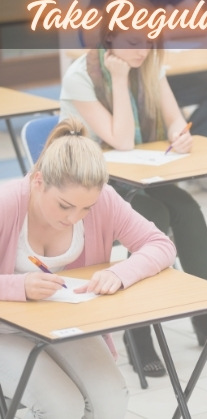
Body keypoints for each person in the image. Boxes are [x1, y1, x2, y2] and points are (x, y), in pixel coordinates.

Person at [60, 0, 207, 379]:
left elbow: (176, 118)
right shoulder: (80, 75)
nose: (142, 50)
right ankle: (138, 333)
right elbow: (121, 140)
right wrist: (122, 80)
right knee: (155, 214)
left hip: (139, 175)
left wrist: (182, 134)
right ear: (109, 37)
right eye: (132, 42)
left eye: (148, 40)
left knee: (190, 211)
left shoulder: (149, 64)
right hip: (91, 184)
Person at [0, 117, 175, 418]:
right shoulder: (7, 202)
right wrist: (19, 286)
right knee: (61, 407)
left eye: (86, 209)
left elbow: (160, 244)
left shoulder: (103, 199)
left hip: (62, 322)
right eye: (65, 206)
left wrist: (119, 273)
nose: (74, 218)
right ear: (38, 181)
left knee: (111, 401)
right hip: (5, 330)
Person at [86, 0, 207, 140]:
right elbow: (90, 35)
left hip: (154, 72)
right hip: (119, 75)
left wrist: (155, 33)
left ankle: (185, 143)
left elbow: (200, 24)